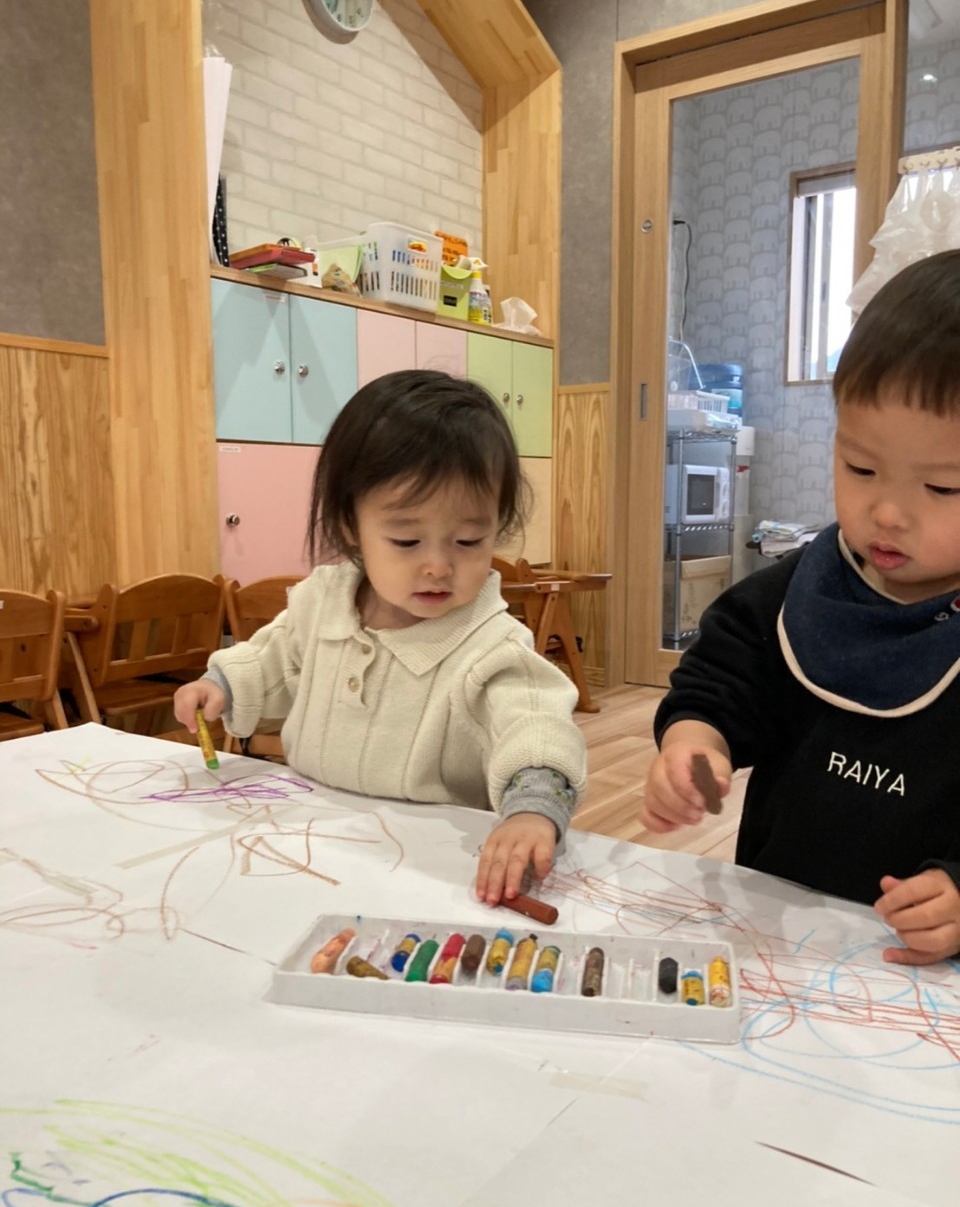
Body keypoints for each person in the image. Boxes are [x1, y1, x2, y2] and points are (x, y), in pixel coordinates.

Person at [641, 250, 960, 966]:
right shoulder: (802, 589)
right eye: (860, 468)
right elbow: (718, 681)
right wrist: (696, 742)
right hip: (776, 929)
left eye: (943, 488)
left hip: (918, 967)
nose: (887, 512)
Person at [175, 370, 586, 905]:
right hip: (310, 840)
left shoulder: (491, 643)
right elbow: (273, 660)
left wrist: (532, 808)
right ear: (351, 526)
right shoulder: (322, 602)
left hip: (426, 869)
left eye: (468, 540)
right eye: (406, 541)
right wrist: (221, 685)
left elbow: (537, 727)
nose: (438, 566)